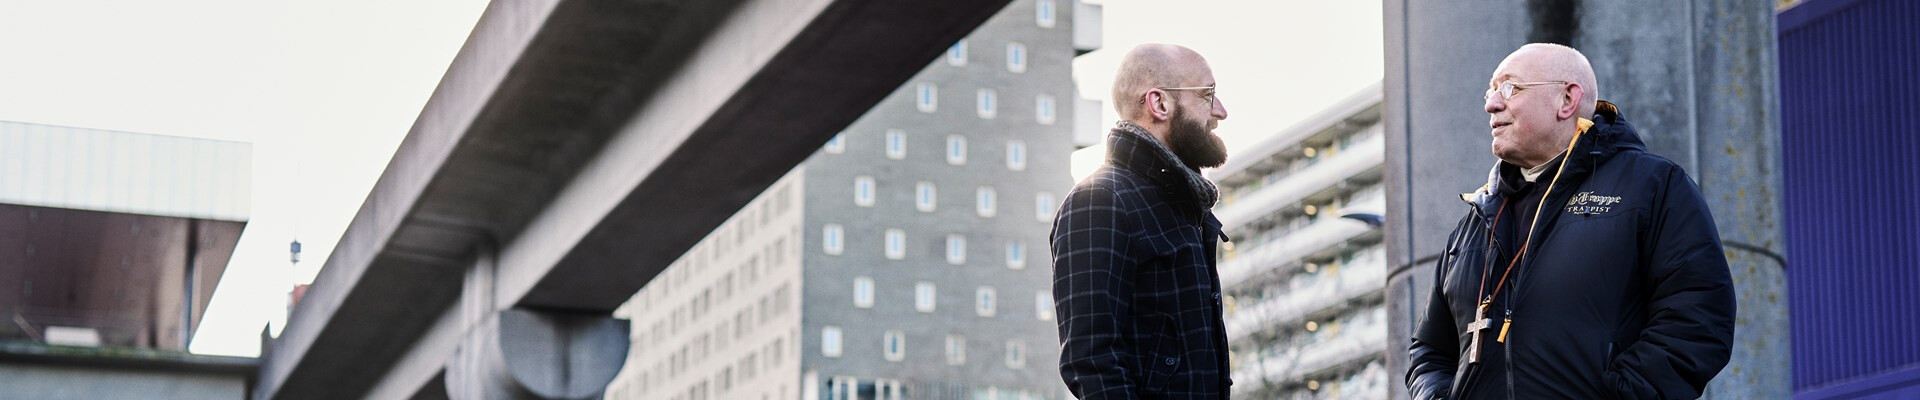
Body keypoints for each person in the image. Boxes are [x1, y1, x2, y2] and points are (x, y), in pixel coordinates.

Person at [1405, 43, 1736, 399]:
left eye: (1509, 88)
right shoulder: (1475, 220)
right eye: (1490, 91)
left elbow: (1698, 316)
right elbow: (1429, 351)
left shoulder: (1652, 187)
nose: (1491, 104)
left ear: (1567, 99)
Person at [1050, 43, 1233, 399]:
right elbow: (1091, 363)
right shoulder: (1100, 200)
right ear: (1159, 103)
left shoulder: (1186, 207)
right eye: (1207, 94)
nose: (1220, 111)